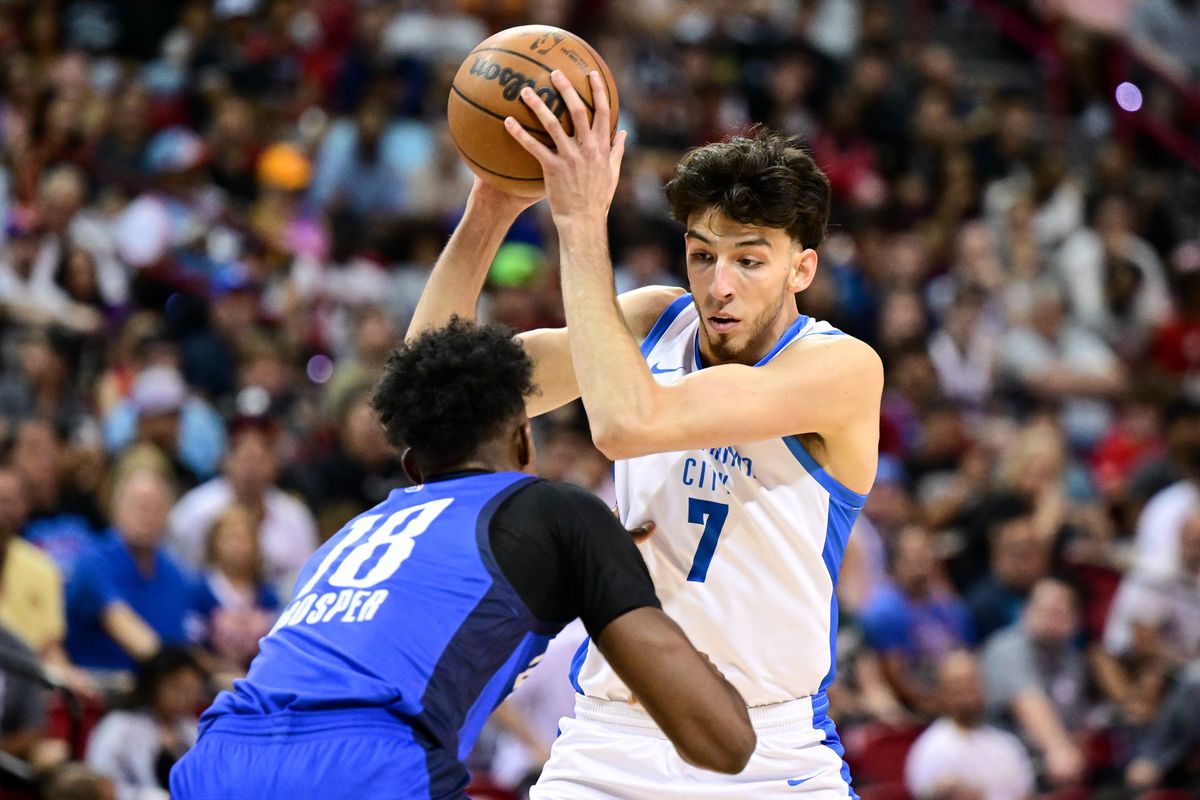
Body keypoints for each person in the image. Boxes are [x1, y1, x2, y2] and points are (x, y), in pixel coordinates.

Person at [410, 72, 882, 796]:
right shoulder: (653, 321)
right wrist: (492, 205)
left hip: (767, 750)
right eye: (702, 255)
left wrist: (578, 223)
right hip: (609, 739)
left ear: (801, 269)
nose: (719, 284)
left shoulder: (841, 369)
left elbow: (630, 425)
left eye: (749, 260)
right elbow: (433, 394)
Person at [169, 321, 755, 800]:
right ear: (525, 441)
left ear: (413, 470)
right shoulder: (555, 510)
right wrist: (616, 574)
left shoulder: (351, 533)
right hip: (367, 768)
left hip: (214, 759)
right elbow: (721, 741)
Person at [904, 650, 1036, 800]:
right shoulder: (931, 749)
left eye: (971, 682)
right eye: (957, 684)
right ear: (942, 691)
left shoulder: (1008, 744)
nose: (966, 691)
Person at [86, 648, 208, 800]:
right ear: (153, 685)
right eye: (176, 688)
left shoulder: (192, 729)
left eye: (191, 690)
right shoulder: (119, 725)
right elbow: (98, 780)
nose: (183, 697)